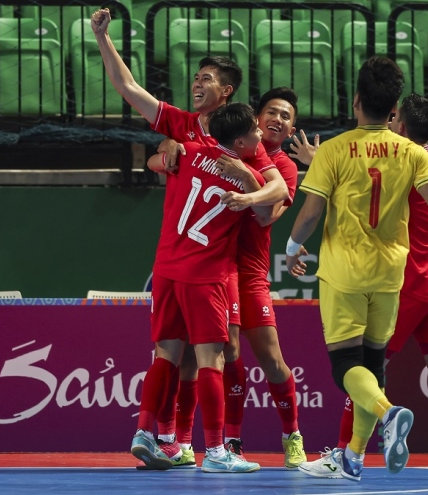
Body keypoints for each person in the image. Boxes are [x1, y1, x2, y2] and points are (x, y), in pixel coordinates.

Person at [91, 8, 289, 469]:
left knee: (177, 353)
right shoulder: (188, 130)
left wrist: (245, 186)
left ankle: (154, 435)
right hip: (206, 269)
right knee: (209, 357)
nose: (196, 84)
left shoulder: (229, 136)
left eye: (206, 79)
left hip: (179, 265)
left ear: (227, 91)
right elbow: (129, 88)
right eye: (196, 77)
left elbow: (274, 188)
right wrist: (104, 39)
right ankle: (210, 447)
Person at [285, 57, 428, 482]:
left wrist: (292, 247)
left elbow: (311, 214)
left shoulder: (333, 150)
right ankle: (353, 456)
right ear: (393, 111)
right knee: (373, 367)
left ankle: (388, 416)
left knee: (345, 367)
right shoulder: (412, 152)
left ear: (356, 101)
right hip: (391, 276)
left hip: (344, 273)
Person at [131, 102, 266, 473]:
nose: (260, 135)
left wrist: (166, 149)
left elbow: (155, 164)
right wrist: (251, 180)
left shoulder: (188, 150)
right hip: (205, 274)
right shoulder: (242, 175)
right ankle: (217, 452)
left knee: (166, 355)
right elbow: (267, 213)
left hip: (166, 269)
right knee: (212, 361)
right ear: (239, 141)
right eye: (255, 130)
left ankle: (143, 433)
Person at [208, 87, 307, 468]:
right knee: (229, 355)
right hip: (217, 266)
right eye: (272, 112)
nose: (278, 119)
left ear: (291, 126)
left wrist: (245, 176)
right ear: (256, 120)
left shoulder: (284, 169)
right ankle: (231, 441)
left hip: (250, 271)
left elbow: (268, 215)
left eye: (286, 115)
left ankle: (292, 434)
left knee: (271, 359)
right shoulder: (229, 148)